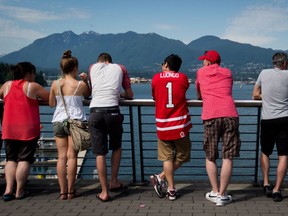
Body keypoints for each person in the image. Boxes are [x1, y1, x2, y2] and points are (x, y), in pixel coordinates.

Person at [195, 50, 241, 206]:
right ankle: (222, 195)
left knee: (210, 155)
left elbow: (199, 94)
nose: (202, 63)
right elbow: (228, 89)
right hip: (230, 114)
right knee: (227, 156)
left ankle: (214, 192)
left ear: (207, 62)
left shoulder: (201, 73)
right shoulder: (227, 72)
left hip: (211, 115)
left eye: (204, 60)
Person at [0, 62, 49, 201]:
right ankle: (19, 191)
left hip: (9, 127)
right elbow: (50, 98)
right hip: (27, 129)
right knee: (24, 160)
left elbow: (1, 95)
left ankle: (8, 190)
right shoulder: (32, 86)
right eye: (33, 73)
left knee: (10, 159)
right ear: (28, 73)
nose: (34, 76)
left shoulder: (7, 85)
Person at [88, 52, 133, 202]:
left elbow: (91, 90)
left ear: (99, 61)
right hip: (113, 112)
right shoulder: (121, 68)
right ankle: (114, 181)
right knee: (116, 147)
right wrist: (120, 95)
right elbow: (130, 95)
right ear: (110, 61)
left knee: (100, 153)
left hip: (95, 112)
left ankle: (104, 192)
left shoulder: (92, 68)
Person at [49, 50, 90, 200]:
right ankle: (71, 191)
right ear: (75, 68)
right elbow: (88, 94)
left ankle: (62, 192)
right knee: (72, 157)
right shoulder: (80, 84)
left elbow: (51, 103)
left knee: (61, 158)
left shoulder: (55, 84)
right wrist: (86, 80)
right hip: (75, 122)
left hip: (58, 121)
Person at [150, 54, 192, 201]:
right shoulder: (183, 78)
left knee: (167, 158)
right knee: (183, 155)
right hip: (180, 125)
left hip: (163, 125)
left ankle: (171, 189)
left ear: (166, 64)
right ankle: (160, 177)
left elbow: (155, 97)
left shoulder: (155, 78)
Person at [252, 52, 288, 202]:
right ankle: (277, 190)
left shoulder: (263, 73)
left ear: (274, 63)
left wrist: (266, 95)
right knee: (284, 155)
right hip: (285, 119)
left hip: (267, 119)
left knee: (265, 151)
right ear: (284, 63)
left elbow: (255, 95)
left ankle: (266, 183)